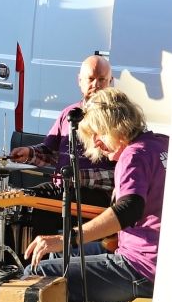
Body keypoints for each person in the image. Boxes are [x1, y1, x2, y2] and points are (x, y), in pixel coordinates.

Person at [25, 88, 166, 302]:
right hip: (156, 257)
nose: (97, 144)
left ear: (117, 126)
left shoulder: (133, 155)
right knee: (60, 260)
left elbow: (129, 208)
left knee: (41, 271)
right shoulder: (162, 144)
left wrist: (68, 238)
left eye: (99, 134)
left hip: (142, 267)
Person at [8, 55, 117, 202]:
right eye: (90, 79)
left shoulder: (119, 117)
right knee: (22, 199)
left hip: (97, 194)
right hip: (61, 187)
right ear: (80, 80)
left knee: (54, 206)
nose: (96, 85)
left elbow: (124, 170)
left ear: (110, 81)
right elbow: (52, 153)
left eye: (102, 79)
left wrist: (80, 177)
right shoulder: (68, 113)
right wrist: (29, 153)